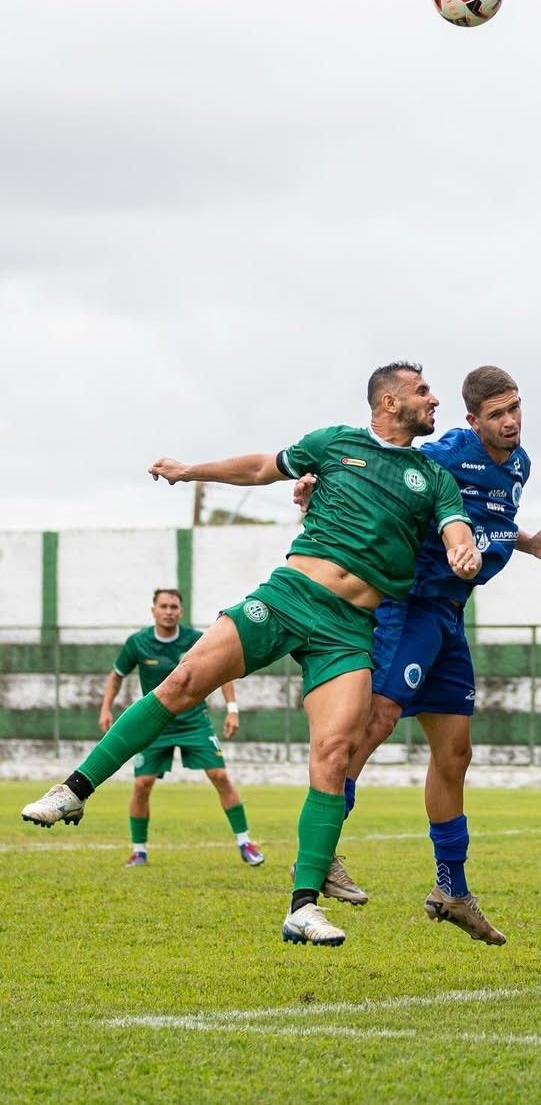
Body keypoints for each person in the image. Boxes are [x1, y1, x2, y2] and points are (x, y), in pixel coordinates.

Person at [22, 361, 481, 949]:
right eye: (422, 391)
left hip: (350, 628)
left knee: (334, 753)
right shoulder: (333, 442)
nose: (433, 399)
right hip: (289, 595)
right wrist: (191, 471)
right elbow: (263, 467)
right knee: (184, 679)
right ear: (389, 402)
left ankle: (304, 908)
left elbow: (455, 530)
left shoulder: (431, 476)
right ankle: (74, 791)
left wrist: (464, 553)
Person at [294, 365, 541, 946]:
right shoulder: (447, 452)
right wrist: (315, 490)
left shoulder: (519, 465)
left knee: (456, 751)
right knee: (375, 722)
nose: (511, 421)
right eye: (496, 414)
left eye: (515, 408)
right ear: (472, 421)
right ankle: (319, 859)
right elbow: (388, 474)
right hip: (411, 605)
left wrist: (526, 543)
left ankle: (451, 888)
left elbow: (483, 523)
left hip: (450, 617)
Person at [102, 587, 264, 868]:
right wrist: (106, 708)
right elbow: (116, 677)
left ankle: (245, 842)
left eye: (173, 607)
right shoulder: (137, 643)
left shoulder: (197, 640)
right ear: (153, 610)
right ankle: (138, 851)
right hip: (155, 723)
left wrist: (232, 709)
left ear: (181, 611)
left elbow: (222, 672)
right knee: (142, 784)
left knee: (220, 776)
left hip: (193, 720)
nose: (168, 611)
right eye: (163, 606)